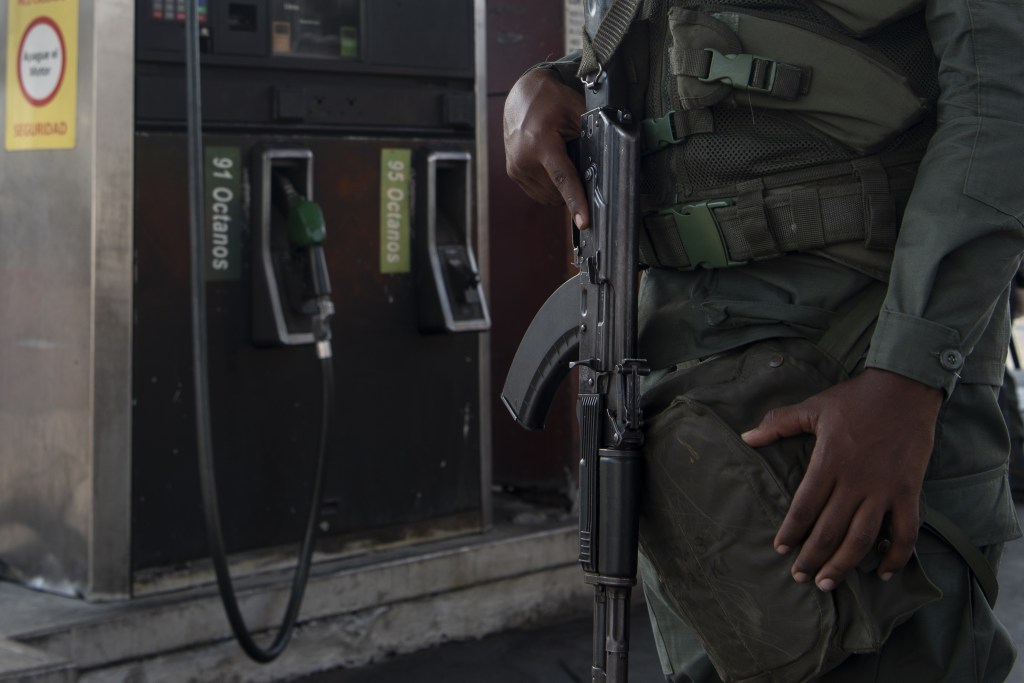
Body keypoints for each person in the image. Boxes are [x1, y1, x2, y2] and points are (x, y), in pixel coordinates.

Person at [503, 1, 1023, 681]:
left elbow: (1001, 107)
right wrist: (551, 83)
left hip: (858, 386)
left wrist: (905, 379)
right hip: (677, 395)